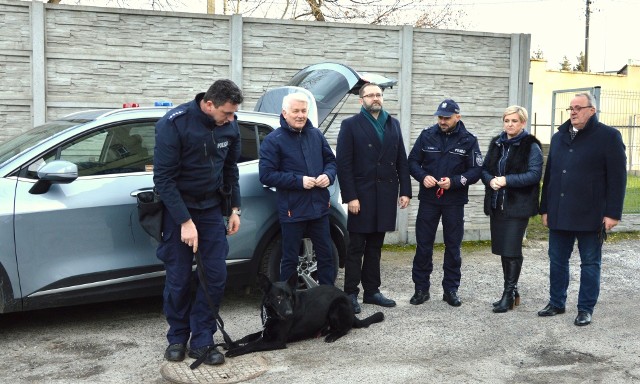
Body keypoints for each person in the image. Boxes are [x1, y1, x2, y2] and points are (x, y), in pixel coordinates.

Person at [153, 79, 244, 365]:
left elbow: (231, 170)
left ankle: (203, 338)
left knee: (215, 277)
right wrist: (184, 221)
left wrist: (234, 209)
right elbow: (163, 180)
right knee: (178, 279)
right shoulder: (173, 124)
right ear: (208, 104)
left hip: (212, 209)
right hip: (179, 209)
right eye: (226, 113)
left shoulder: (229, 125)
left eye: (232, 114)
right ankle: (178, 336)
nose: (230, 119)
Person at [538, 92, 626, 326]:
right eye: (571, 108)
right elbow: (551, 176)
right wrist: (545, 208)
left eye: (578, 107)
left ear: (591, 110)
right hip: (559, 212)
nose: (573, 112)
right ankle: (556, 302)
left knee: (590, 263)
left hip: (591, 213)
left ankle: (585, 308)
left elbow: (618, 178)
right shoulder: (559, 137)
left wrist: (613, 213)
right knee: (557, 260)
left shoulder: (608, 136)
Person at [336, 83, 412, 313]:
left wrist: (406, 190)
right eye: (370, 95)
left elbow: (401, 160)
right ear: (361, 101)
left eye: (379, 95)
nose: (375, 98)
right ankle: (350, 292)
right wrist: (350, 197)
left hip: (386, 194)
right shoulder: (350, 125)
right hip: (361, 195)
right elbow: (343, 164)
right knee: (356, 246)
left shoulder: (393, 123)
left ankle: (372, 291)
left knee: (376, 246)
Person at [407, 99, 482, 307]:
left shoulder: (469, 140)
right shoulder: (427, 135)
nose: (442, 121)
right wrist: (423, 177)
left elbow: (475, 170)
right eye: (440, 117)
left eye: (447, 118)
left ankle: (451, 290)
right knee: (423, 246)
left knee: (453, 247)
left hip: (454, 201)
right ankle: (421, 289)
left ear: (458, 117)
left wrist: (456, 182)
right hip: (429, 200)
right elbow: (412, 162)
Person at [259, 92, 337, 286]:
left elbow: (331, 161)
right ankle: (289, 303)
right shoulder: (273, 140)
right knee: (289, 259)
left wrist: (328, 175)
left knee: (326, 256)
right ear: (284, 113)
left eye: (304, 110)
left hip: (319, 207)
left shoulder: (316, 135)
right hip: (292, 210)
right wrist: (299, 181)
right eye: (296, 111)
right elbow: (266, 175)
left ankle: (327, 299)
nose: (301, 115)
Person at [481, 105, 543, 313]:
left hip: (518, 206)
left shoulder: (531, 146)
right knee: (503, 251)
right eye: (507, 121)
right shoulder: (497, 143)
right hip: (497, 205)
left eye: (514, 121)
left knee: (511, 249)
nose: (509, 125)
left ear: (523, 123)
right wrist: (491, 181)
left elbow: (534, 175)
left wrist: (507, 180)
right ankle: (512, 291)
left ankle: (508, 294)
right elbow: (485, 170)